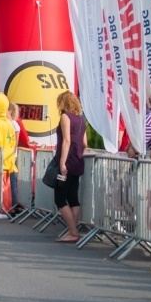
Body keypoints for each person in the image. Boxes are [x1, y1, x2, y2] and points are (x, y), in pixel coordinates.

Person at [53, 91, 87, 243]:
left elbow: (66, 140)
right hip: (78, 160)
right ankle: (73, 229)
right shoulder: (80, 120)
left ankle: (73, 232)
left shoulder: (65, 117)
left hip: (68, 161)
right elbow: (85, 143)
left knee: (60, 197)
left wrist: (62, 162)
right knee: (73, 196)